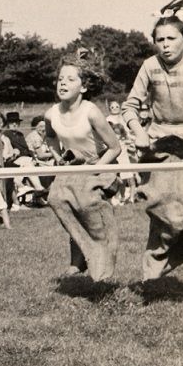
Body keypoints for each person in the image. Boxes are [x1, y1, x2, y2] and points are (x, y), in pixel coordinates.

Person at [121, 0, 183, 279]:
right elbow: (129, 106)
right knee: (162, 210)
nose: (164, 44)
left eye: (171, 38)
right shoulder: (150, 66)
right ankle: (150, 278)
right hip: (159, 143)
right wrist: (138, 131)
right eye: (159, 39)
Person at [44, 48, 121, 281]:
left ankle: (100, 263)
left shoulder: (92, 112)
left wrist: (94, 170)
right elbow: (49, 137)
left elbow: (115, 147)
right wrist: (56, 154)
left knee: (86, 207)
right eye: (60, 79)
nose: (63, 84)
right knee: (57, 199)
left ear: (84, 87)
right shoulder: (51, 113)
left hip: (99, 166)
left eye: (70, 79)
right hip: (73, 165)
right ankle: (78, 261)